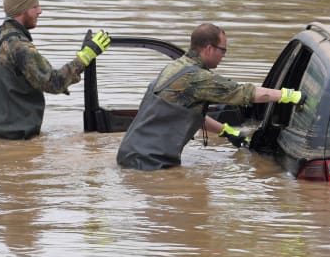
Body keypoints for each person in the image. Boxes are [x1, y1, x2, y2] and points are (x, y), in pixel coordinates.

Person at [117, 22, 304, 171]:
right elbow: (242, 93)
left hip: (131, 156)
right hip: (147, 165)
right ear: (208, 48)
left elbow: (186, 113)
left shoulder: (177, 67)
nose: (224, 55)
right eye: (223, 50)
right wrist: (287, 95)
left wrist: (226, 131)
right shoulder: (197, 78)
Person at [0, 0, 111, 139]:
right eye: (34, 6)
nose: (40, 11)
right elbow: (54, 82)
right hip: (13, 139)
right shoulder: (20, 46)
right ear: (22, 10)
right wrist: (86, 56)